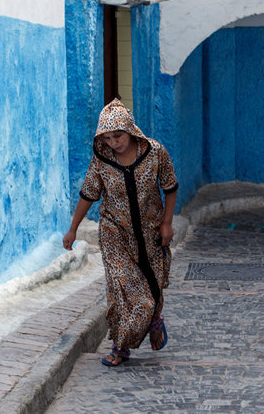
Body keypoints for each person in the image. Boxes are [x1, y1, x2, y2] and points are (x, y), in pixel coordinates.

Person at [62, 99, 178, 366]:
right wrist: (73, 229)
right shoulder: (101, 159)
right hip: (114, 233)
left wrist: (167, 223)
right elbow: (88, 194)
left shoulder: (155, 152)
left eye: (118, 136)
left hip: (150, 232)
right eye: (107, 137)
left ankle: (153, 321)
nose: (113, 142)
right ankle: (120, 346)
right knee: (124, 292)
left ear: (130, 130)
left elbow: (170, 186)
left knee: (152, 287)